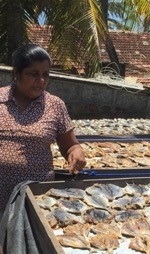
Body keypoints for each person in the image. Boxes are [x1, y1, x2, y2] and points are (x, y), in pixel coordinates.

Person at [0, 43, 86, 216]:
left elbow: (70, 145)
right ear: (15, 73)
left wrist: (76, 152)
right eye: (33, 74)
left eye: (45, 75)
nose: (41, 81)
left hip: (36, 196)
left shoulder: (54, 105)